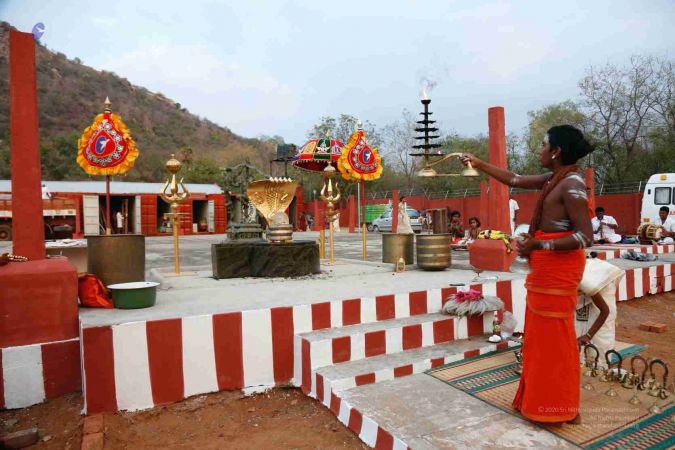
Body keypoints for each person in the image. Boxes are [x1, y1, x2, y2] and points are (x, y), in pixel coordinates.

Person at [461, 124, 594, 424]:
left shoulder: (571, 184)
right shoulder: (555, 179)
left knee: (556, 340)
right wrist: (479, 164)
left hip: (559, 270)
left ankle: (560, 408)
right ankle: (541, 402)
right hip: (546, 269)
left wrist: (539, 244)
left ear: (556, 152)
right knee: (540, 339)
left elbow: (586, 237)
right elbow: (515, 179)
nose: (540, 150)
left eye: (544, 145)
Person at [576, 255, 624, 358]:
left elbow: (605, 311)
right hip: (589, 290)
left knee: (600, 341)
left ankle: (601, 363)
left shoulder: (585, 282)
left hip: (603, 296)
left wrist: (588, 335)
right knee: (578, 326)